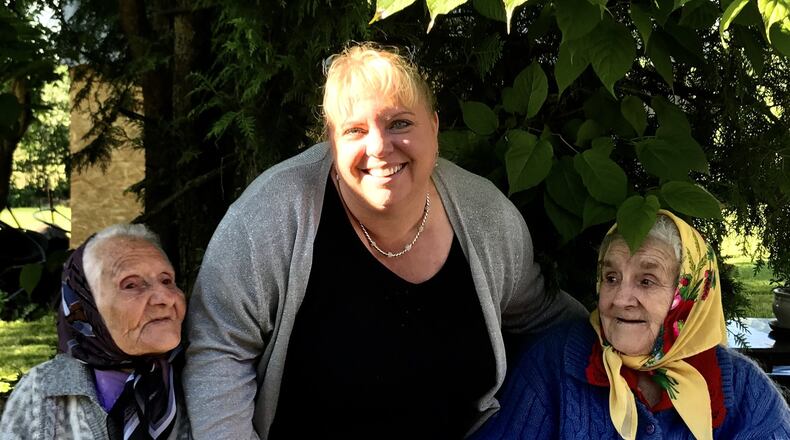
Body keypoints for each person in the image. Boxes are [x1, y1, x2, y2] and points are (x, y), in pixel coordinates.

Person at [184, 42, 587, 439]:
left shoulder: (485, 216)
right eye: (355, 130)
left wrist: (635, 348)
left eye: (399, 124)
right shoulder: (269, 217)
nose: (379, 147)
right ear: (331, 139)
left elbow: (544, 317)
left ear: (434, 126)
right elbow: (219, 352)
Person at [473, 210, 790, 439]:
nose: (619, 298)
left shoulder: (746, 393)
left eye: (647, 281)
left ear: (691, 293)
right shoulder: (552, 365)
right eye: (611, 278)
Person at [0, 224, 191, 439]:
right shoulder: (43, 390)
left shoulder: (208, 371)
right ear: (86, 306)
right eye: (131, 285)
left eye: (167, 280)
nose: (165, 297)